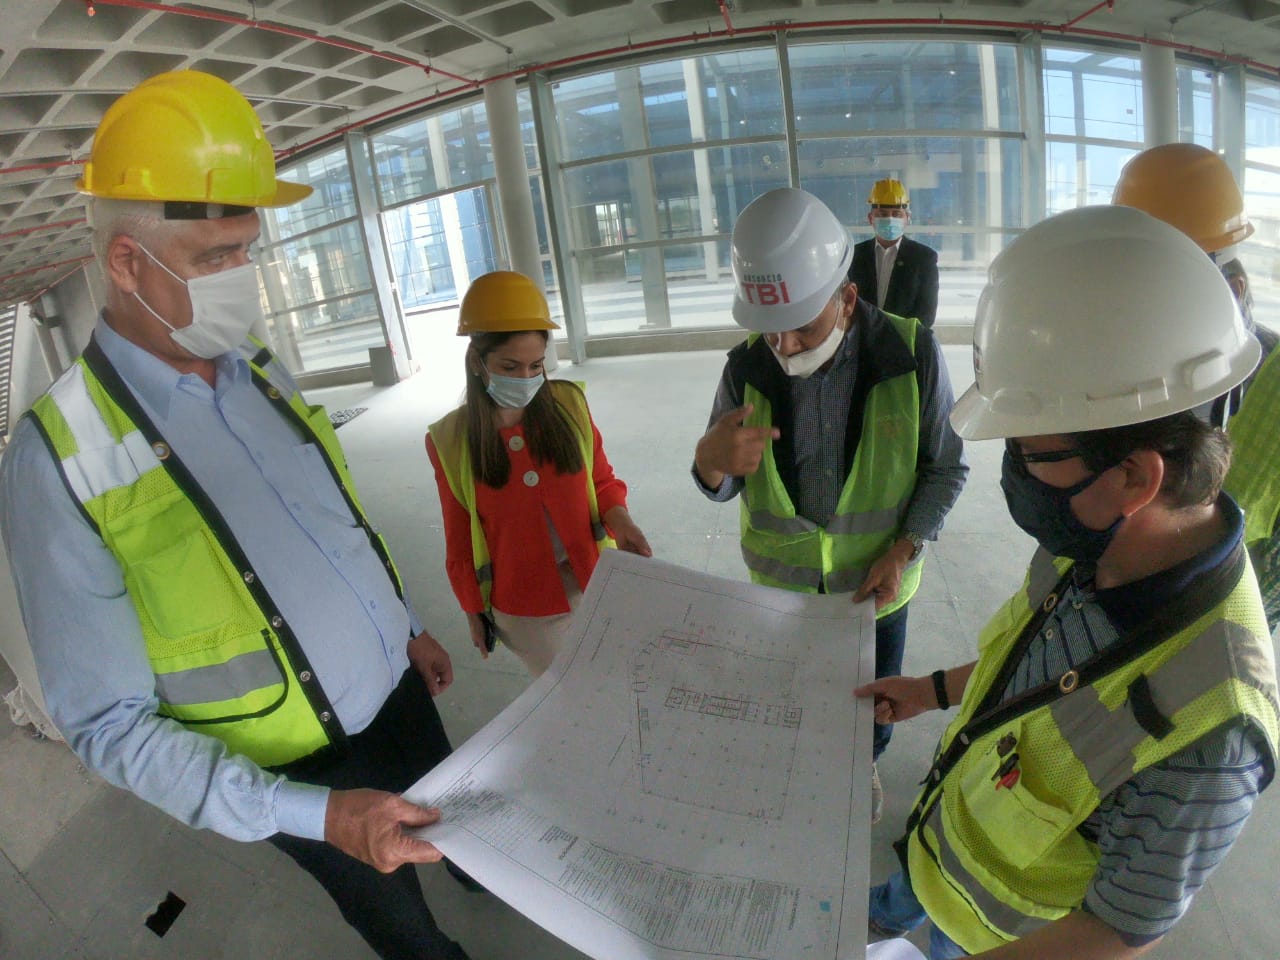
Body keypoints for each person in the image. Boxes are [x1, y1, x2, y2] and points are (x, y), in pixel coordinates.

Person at [0, 70, 474, 960]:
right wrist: (314, 815)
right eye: (213, 259)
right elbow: (109, 727)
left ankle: (480, 867)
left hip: (403, 690)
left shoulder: (253, 361)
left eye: (247, 250)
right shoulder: (55, 459)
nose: (242, 281)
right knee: (403, 926)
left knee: (461, 818)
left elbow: (331, 510)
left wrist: (403, 625)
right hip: (300, 771)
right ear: (127, 264)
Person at [858, 205, 1279, 959]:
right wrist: (932, 691)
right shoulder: (1090, 534)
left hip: (993, 935)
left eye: (1029, 449)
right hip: (941, 838)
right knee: (902, 891)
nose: (1015, 471)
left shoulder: (1212, 729)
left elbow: (1115, 932)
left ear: (1135, 476)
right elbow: (1037, 670)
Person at [692, 187, 968, 823]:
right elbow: (722, 479)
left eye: (803, 326)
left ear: (848, 298)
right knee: (794, 692)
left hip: (878, 589)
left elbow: (945, 469)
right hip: (783, 592)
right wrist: (709, 462)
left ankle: (863, 763)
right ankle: (807, 760)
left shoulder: (911, 354)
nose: (784, 346)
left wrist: (905, 547)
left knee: (872, 700)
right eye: (771, 330)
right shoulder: (744, 367)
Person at [427, 270, 651, 677]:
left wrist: (622, 519)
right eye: (509, 366)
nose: (526, 379)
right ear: (478, 361)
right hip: (526, 610)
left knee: (620, 681)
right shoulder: (450, 439)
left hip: (595, 578)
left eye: (535, 365)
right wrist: (472, 610)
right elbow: (459, 534)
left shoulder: (569, 404)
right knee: (571, 698)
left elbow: (601, 480)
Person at [1113, 141, 1280, 631]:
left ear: (1230, 285)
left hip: (1229, 602)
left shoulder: (1271, 377)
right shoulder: (1134, 352)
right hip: (1129, 592)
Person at [847, 178, 940, 328]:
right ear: (871, 218)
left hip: (903, 344)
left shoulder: (924, 258)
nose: (889, 219)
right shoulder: (854, 255)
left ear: (907, 219)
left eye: (896, 214)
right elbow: (846, 304)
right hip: (861, 343)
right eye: (882, 214)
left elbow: (927, 314)